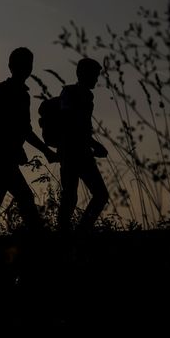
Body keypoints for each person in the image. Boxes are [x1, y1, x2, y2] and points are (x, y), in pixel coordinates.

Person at [0, 48, 56, 238]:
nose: (26, 68)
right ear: (11, 66)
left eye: (28, 64)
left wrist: (45, 151)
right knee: (23, 197)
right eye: (23, 64)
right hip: (0, 157)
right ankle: (40, 239)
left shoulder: (22, 95)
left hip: (5, 158)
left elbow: (25, 130)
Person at [58, 58, 109, 232]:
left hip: (82, 153)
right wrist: (94, 144)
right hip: (71, 153)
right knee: (71, 196)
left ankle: (80, 232)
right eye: (94, 75)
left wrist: (93, 145)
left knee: (95, 195)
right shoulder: (69, 93)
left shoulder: (87, 96)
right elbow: (69, 123)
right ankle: (68, 233)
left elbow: (82, 127)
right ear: (82, 74)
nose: (96, 79)